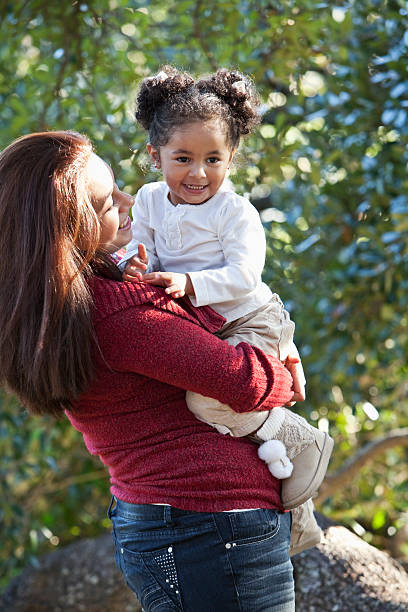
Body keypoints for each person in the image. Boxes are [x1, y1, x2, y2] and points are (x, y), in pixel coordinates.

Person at [0, 130, 307, 611]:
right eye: (106, 202)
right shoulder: (119, 317)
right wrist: (285, 367)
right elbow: (242, 382)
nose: (127, 200)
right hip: (209, 525)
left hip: (185, 520)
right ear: (70, 223)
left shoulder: (70, 302)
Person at [119, 66, 333, 554]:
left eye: (213, 159)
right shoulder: (150, 200)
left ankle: (299, 437)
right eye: (183, 158)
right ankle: (299, 520)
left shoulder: (234, 212)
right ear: (155, 157)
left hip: (249, 316)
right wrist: (135, 264)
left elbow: (244, 276)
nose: (198, 173)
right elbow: (141, 247)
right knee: (237, 432)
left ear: (232, 158)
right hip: (207, 322)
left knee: (210, 402)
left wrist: (189, 282)